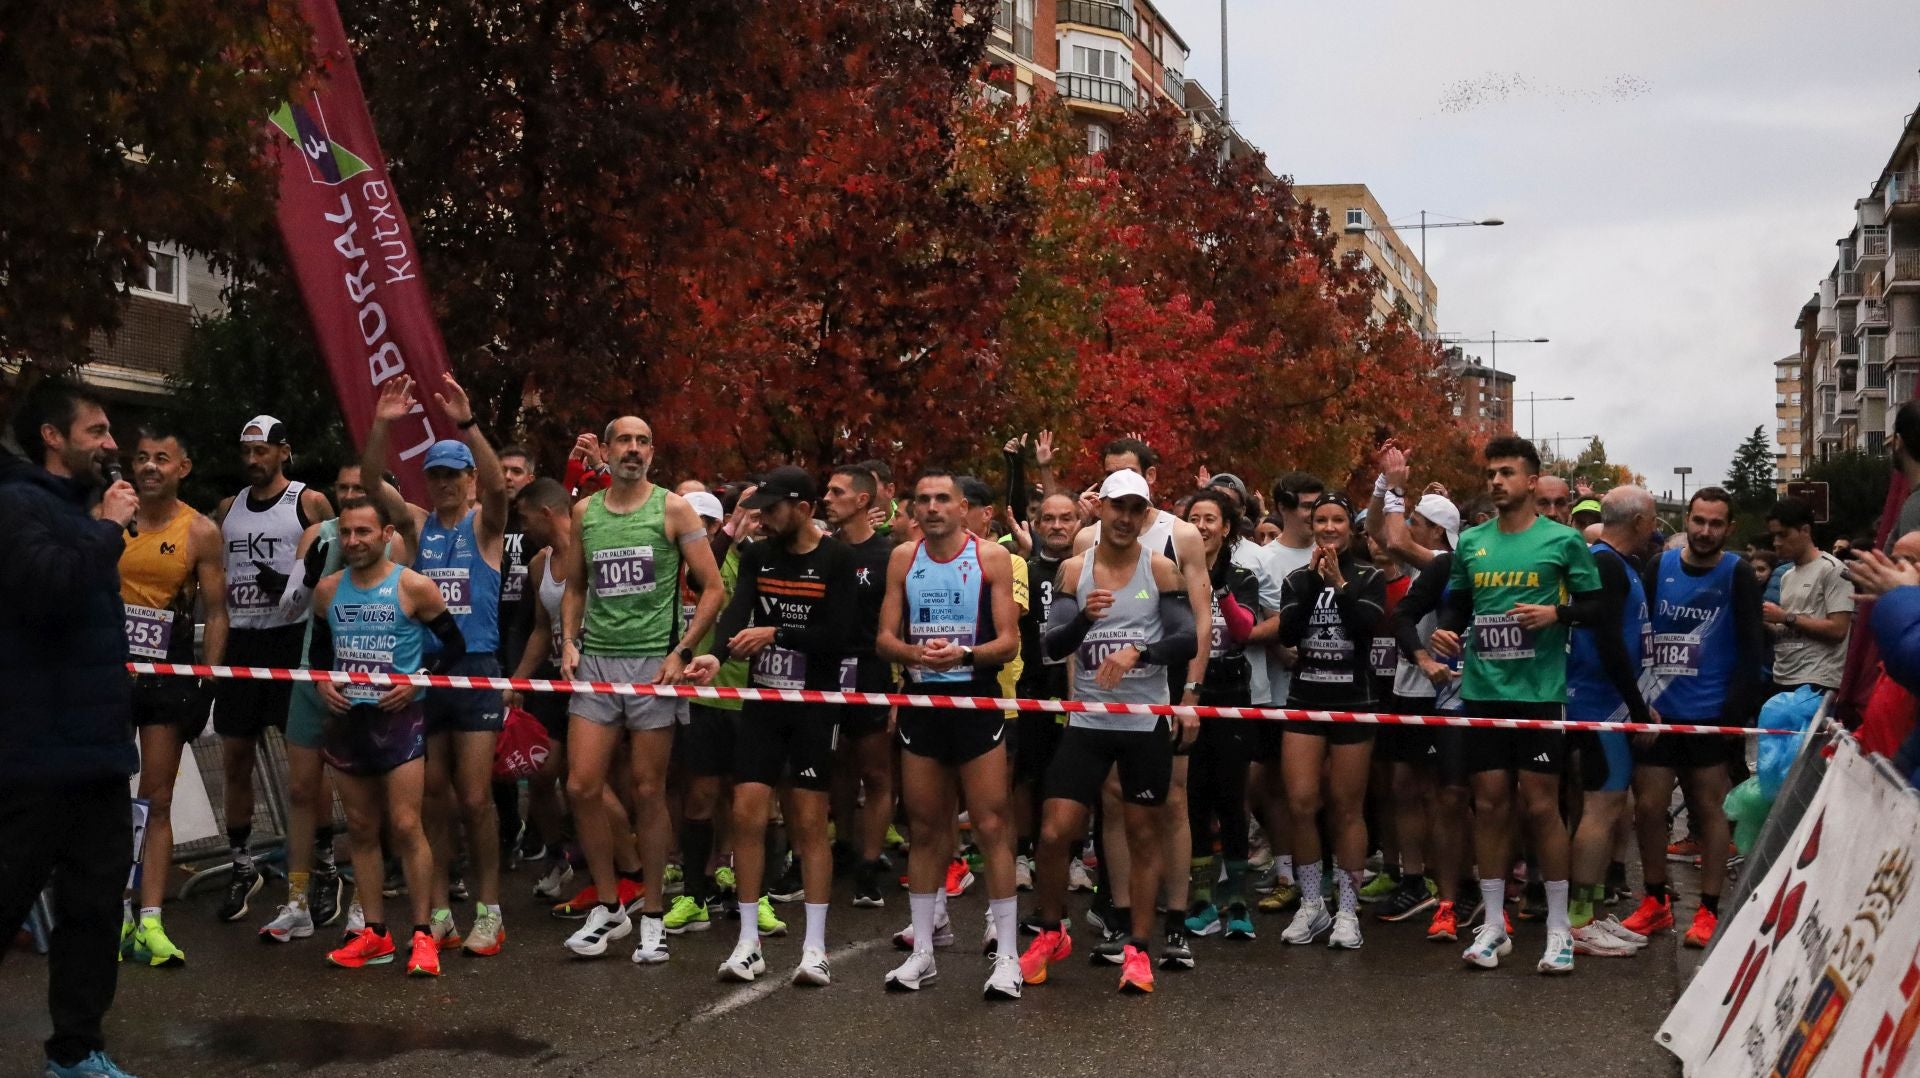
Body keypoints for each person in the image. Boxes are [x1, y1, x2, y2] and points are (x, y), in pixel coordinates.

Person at [0, 381, 143, 1078]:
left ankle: (76, 1052)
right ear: (53, 438)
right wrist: (108, 528)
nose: (111, 445)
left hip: (97, 755)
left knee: (93, 911)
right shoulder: (18, 506)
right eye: (97, 431)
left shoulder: (85, 516)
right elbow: (47, 588)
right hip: (31, 757)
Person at [1430, 436, 1607, 975]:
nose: (1496, 481)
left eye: (1507, 472)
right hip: (1483, 691)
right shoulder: (1473, 542)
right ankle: (1493, 925)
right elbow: (1459, 602)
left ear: (1532, 481)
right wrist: (1445, 632)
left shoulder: (1562, 541)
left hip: (1538, 694)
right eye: (1491, 473)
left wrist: (1558, 615)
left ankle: (1558, 929)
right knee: (1488, 804)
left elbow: (1598, 604)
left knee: (1539, 806)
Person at [1022, 468, 1198, 995]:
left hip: (1143, 723)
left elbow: (1186, 639)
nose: (1123, 518)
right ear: (1099, 511)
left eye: (1134, 509)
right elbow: (1051, 646)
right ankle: (1052, 931)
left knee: (1144, 835)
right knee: (1054, 832)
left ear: (1145, 517)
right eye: (1115, 507)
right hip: (1088, 721)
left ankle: (1139, 948)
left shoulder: (1160, 568)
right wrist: (1082, 622)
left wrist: (1140, 650)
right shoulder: (1076, 570)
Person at [558, 415, 725, 963]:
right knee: (582, 785)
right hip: (598, 664)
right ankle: (610, 906)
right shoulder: (586, 512)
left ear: (652, 452)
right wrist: (568, 641)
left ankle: (653, 913)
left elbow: (714, 588)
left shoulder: (672, 507)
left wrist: (682, 652)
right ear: (604, 451)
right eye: (624, 441)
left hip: (654, 666)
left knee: (649, 789)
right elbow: (576, 586)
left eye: (643, 441)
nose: (633, 450)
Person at [687, 467, 857, 987]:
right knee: (746, 813)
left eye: (773, 508)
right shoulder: (758, 554)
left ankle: (814, 947)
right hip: (762, 700)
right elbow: (737, 612)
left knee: (808, 822)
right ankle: (746, 943)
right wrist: (714, 657)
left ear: (803, 508)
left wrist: (778, 631)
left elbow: (844, 633)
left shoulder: (837, 557)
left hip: (813, 704)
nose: (761, 517)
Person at [361, 374, 511, 956]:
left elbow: (499, 489)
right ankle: (442, 908)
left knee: (475, 798)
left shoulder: (484, 525)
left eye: (456, 475)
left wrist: (468, 427)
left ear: (469, 479)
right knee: (435, 799)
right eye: (438, 476)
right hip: (426, 670)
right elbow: (373, 485)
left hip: (475, 667)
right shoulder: (419, 526)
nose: (446, 484)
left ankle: (491, 910)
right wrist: (382, 423)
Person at [875, 471, 1025, 999]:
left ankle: (1007, 955)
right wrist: (915, 654)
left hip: (974, 697)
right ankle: (924, 953)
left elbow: (1008, 641)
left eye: (944, 499)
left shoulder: (991, 558)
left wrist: (963, 654)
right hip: (922, 702)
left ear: (965, 508)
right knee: (925, 826)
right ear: (913, 509)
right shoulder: (903, 558)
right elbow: (884, 639)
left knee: (990, 822)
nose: (933, 507)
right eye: (924, 500)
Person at [312, 499, 468, 977]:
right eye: (347, 534)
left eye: (364, 532)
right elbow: (320, 655)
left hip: (399, 721)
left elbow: (455, 647)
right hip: (348, 720)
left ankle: (422, 934)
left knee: (405, 825)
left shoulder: (412, 586)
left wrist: (418, 679)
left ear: (384, 535)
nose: (355, 542)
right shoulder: (327, 590)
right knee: (360, 829)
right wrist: (322, 682)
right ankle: (375, 933)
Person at [1625, 488, 1767, 949]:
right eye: (1699, 521)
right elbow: (1640, 633)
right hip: (1660, 711)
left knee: (1709, 815)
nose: (1706, 531)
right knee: (1648, 808)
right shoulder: (1658, 567)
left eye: (1716, 524)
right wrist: (1637, 700)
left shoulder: (1738, 574)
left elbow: (1752, 649)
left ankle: (1707, 909)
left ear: (1730, 528)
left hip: (1709, 716)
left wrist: (1732, 717)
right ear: (1686, 519)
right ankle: (1655, 901)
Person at [211, 415, 335, 925]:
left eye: (262, 451)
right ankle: (242, 864)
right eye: (247, 451)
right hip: (243, 638)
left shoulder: (308, 502)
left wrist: (285, 580)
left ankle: (325, 865)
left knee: (303, 767)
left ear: (284, 451)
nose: (252, 460)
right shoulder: (227, 509)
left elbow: (332, 568)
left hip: (291, 640)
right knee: (235, 758)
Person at [262, 463, 388, 944]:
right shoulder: (320, 533)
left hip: (363, 679)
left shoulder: (382, 534)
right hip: (312, 674)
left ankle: (363, 902)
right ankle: (296, 900)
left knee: (361, 806)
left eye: (361, 487)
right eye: (344, 487)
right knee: (299, 790)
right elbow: (291, 606)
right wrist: (302, 576)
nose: (351, 494)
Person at [118, 427, 228, 968]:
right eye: (142, 458)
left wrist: (208, 678)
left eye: (162, 458)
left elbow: (219, 610)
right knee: (105, 794)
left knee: (156, 798)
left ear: (183, 467)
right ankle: (112, 912)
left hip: (168, 674)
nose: (150, 467)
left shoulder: (200, 531)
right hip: (110, 672)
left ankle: (151, 919)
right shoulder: (110, 517)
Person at [1275, 494, 1386, 950]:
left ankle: (1346, 907)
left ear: (1350, 527)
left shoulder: (1369, 576)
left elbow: (1367, 629)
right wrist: (1312, 584)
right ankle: (1311, 903)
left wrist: (1340, 583)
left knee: (1346, 806)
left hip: (1353, 701)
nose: (1329, 527)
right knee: (1301, 802)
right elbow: (1286, 634)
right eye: (1321, 520)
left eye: (1338, 519)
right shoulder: (1296, 579)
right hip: (1305, 699)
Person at [1560, 487, 1662, 958]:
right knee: (1601, 807)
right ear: (1640, 522)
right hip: (1599, 705)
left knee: (1604, 805)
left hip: (1610, 703)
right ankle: (1578, 922)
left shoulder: (1617, 565)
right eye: (1654, 519)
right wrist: (1637, 709)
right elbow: (1608, 643)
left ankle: (1591, 913)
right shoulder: (1604, 564)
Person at [1178, 489, 1269, 942]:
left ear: (1227, 527)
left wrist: (1221, 589)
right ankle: (1200, 899)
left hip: (1231, 690)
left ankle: (1237, 900)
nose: (1201, 526)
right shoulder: (1171, 573)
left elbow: (1243, 631)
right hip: (1187, 694)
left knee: (1232, 799)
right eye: (1193, 518)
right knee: (1193, 798)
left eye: (1210, 518)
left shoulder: (1241, 575)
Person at [822, 465, 898, 909]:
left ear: (863, 500)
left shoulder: (888, 556)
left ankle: (871, 864)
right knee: (838, 767)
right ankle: (845, 847)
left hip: (871, 671)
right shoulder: (823, 551)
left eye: (837, 492)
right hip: (827, 671)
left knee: (875, 770)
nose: (827, 498)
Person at [503, 478, 580, 903]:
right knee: (542, 774)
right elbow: (539, 628)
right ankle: (558, 856)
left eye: (525, 516)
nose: (522, 526)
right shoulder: (538, 564)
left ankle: (632, 871)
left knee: (589, 783)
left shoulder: (589, 551)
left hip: (594, 677)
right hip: (552, 679)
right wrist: (518, 680)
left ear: (546, 513)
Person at [1252, 472, 1323, 915]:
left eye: (1320, 505)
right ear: (1282, 507)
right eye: (1304, 505)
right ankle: (1285, 873)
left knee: (1324, 793)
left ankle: (1325, 874)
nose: (1314, 515)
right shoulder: (1264, 559)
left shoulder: (1336, 552)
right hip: (1277, 691)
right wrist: (1279, 646)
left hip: (1332, 691)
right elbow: (1258, 614)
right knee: (1271, 787)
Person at [1011, 493, 1082, 896]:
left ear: (1080, 522)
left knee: (1071, 777)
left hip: (1077, 688)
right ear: (1037, 525)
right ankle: (1023, 853)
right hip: (1031, 684)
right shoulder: (1026, 569)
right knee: (1025, 773)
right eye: (1048, 518)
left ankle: (1073, 857)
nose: (1057, 525)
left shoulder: (1090, 569)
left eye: (1066, 518)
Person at [1765, 498, 1853, 695]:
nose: (1776, 543)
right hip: (1783, 676)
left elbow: (1839, 630)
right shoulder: (1786, 575)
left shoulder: (1832, 569)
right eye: (1774, 536)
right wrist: (1764, 620)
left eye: (1783, 534)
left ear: (1805, 530)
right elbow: (1790, 628)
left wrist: (1784, 617)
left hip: (1816, 681)